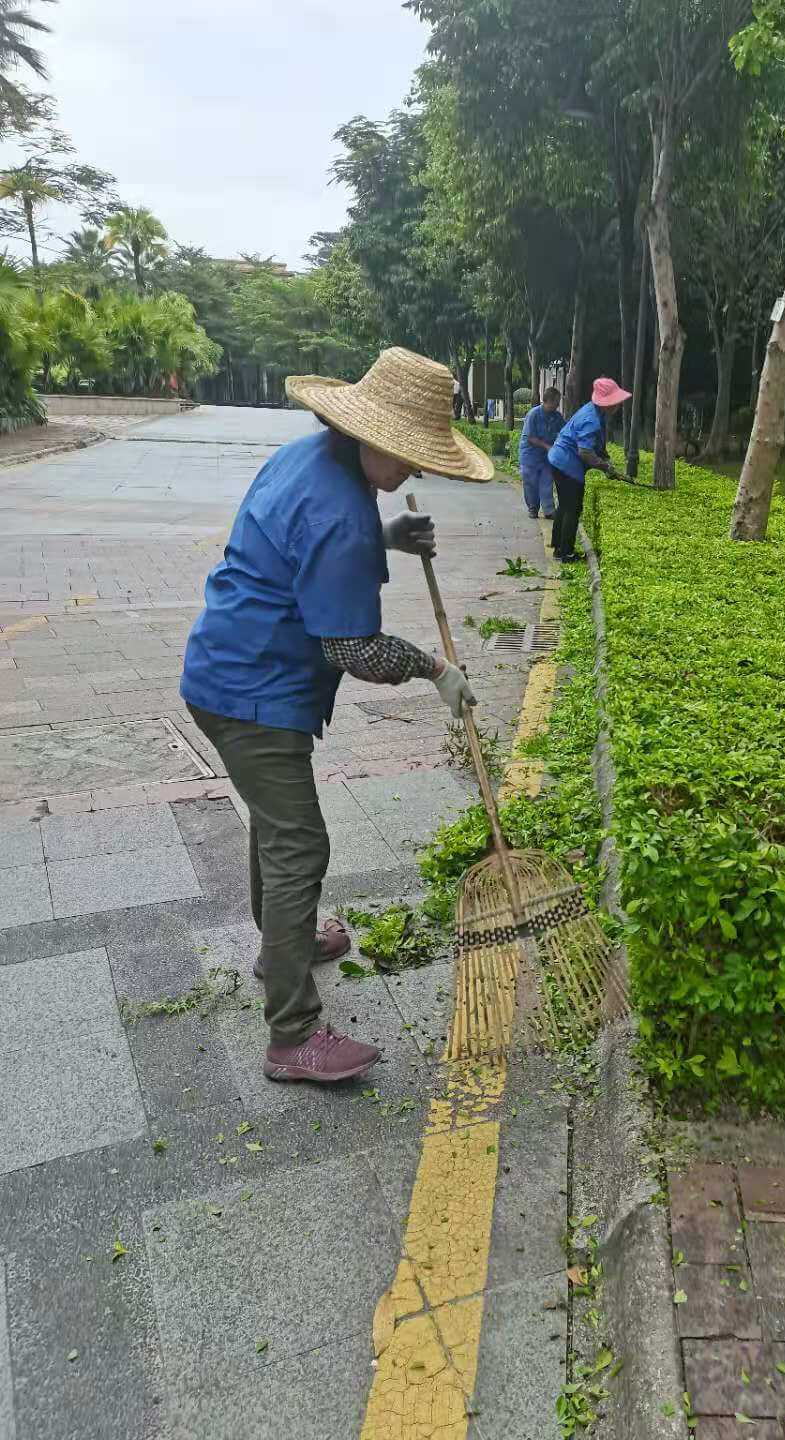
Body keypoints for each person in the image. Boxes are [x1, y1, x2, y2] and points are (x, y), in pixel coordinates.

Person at [180, 347, 494, 1085]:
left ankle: (279, 947)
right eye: (412, 457)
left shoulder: (307, 459)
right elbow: (354, 647)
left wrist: (386, 538)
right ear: (372, 436)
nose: (415, 472)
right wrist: (435, 668)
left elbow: (297, 550)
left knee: (276, 823)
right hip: (252, 692)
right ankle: (292, 1034)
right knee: (301, 845)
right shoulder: (342, 510)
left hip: (224, 672)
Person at [548, 376, 631, 562]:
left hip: (558, 460)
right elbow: (585, 452)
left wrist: (604, 459)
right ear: (607, 403)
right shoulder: (591, 419)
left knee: (565, 504)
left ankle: (558, 547)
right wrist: (605, 467)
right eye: (616, 401)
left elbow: (595, 445)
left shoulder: (593, 412)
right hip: (567, 465)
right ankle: (567, 553)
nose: (618, 405)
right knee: (573, 508)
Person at [518, 386, 564, 519]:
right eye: (556, 402)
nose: (558, 405)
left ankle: (549, 511)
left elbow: (564, 431)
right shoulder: (534, 414)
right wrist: (547, 446)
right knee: (531, 482)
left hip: (546, 457)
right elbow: (530, 437)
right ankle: (533, 508)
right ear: (547, 401)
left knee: (546, 481)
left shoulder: (557, 417)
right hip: (530, 455)